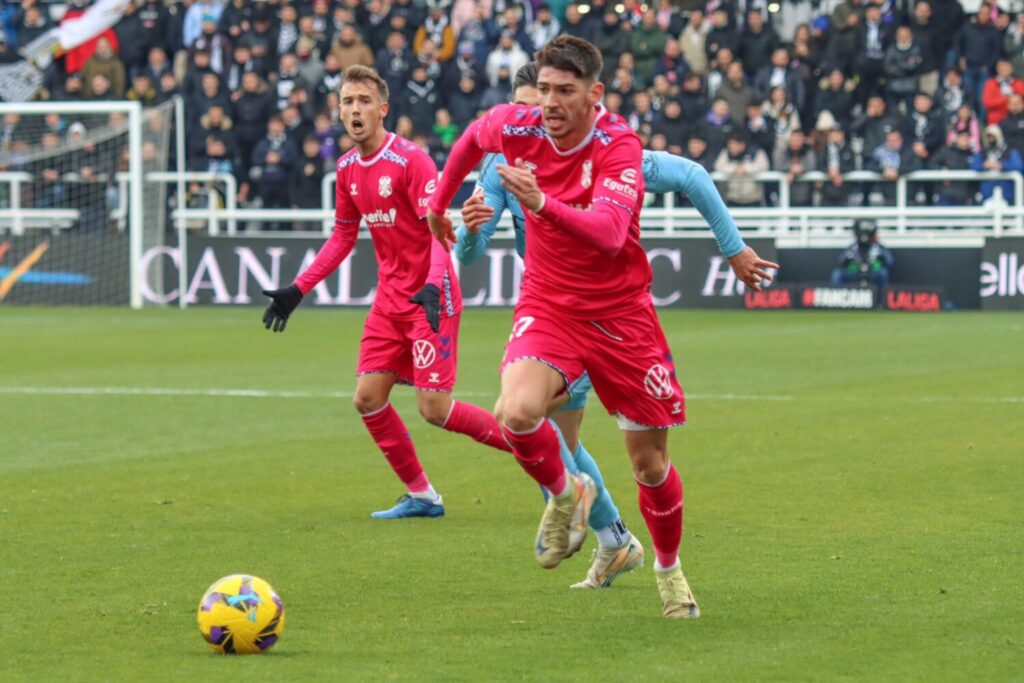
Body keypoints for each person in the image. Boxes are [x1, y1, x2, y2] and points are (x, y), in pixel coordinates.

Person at [426, 36, 777, 619]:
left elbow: (612, 233)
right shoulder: (517, 131)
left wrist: (541, 205)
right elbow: (469, 142)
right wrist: (445, 208)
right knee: (517, 413)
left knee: (650, 465)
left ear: (595, 94)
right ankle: (572, 495)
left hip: (621, 316)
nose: (550, 103)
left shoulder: (619, 147)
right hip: (551, 307)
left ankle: (668, 570)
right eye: (544, 90)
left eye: (564, 91)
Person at [260, 65, 515, 519]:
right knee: (367, 398)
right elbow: (342, 238)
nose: (354, 110)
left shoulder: (411, 161)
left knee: (434, 409)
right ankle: (423, 495)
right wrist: (299, 289)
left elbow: (439, 231)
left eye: (362, 101)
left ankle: (537, 451)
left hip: (430, 299)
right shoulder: (345, 169)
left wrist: (434, 286)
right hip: (390, 301)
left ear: (383, 109)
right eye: (346, 101)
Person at [831, 218, 894, 287]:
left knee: (883, 273)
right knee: (838, 274)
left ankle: (884, 296)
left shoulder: (878, 247)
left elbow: (890, 262)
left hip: (872, 272)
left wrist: (881, 258)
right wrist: (849, 259)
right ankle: (836, 295)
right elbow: (840, 261)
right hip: (855, 272)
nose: (864, 235)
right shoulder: (852, 248)